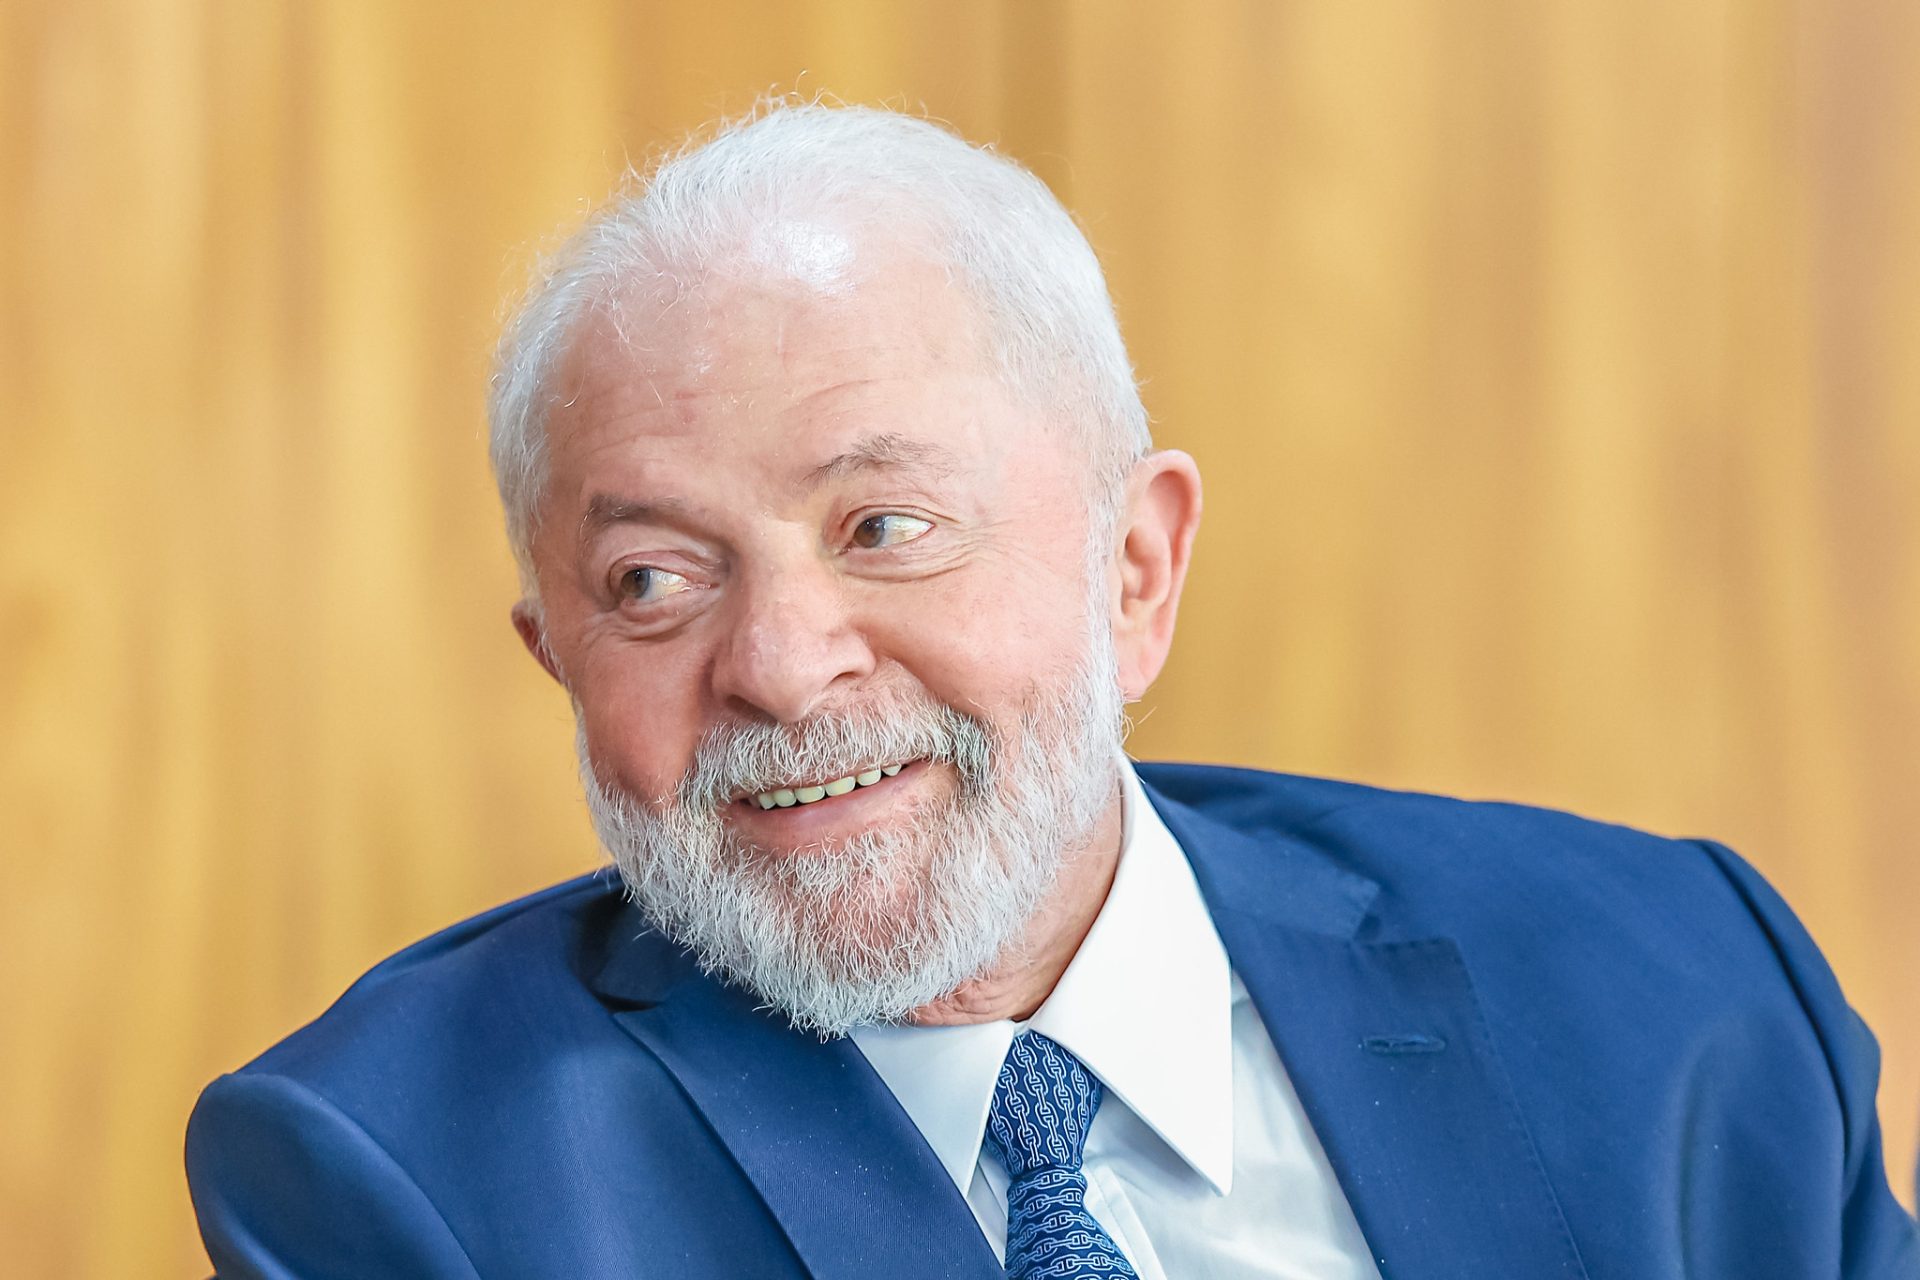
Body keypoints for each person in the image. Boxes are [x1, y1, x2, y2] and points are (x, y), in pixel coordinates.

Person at [185, 103, 1920, 1279]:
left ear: (1134, 569)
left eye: (888, 526)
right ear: (555, 656)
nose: (786, 666)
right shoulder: (401, 1173)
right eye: (654, 580)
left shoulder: (1684, 997)